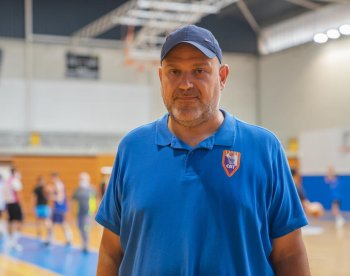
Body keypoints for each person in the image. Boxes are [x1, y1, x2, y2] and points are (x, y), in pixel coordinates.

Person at [96, 25, 310, 275]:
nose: (185, 84)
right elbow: (111, 252)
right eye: (174, 71)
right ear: (161, 76)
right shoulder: (132, 148)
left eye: (199, 70)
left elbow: (290, 254)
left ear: (222, 76)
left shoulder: (264, 148)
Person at [72, 172, 97, 253]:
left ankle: (86, 245)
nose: (82, 180)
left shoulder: (92, 189)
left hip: (88, 213)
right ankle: (83, 243)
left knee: (86, 228)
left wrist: (96, 211)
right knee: (80, 228)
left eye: (83, 179)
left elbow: (97, 199)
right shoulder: (77, 190)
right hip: (80, 213)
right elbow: (73, 200)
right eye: (81, 179)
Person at [45, 172, 72, 246]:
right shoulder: (57, 185)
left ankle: (68, 238)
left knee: (62, 223)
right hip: (57, 207)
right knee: (51, 223)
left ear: (55, 177)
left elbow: (60, 198)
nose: (51, 180)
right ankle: (50, 239)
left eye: (52, 178)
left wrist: (51, 196)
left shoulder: (58, 185)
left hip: (59, 207)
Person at [4, 168, 24, 251]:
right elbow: (18, 194)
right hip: (15, 203)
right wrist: (22, 205)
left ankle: (10, 240)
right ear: (15, 173)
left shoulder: (7, 181)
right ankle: (14, 242)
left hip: (8, 204)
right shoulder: (15, 181)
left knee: (11, 221)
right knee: (18, 221)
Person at [32, 175, 51, 241]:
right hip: (40, 206)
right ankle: (40, 233)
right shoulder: (38, 189)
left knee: (44, 220)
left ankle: (47, 233)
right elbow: (34, 198)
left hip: (43, 206)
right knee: (39, 221)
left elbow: (48, 196)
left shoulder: (45, 188)